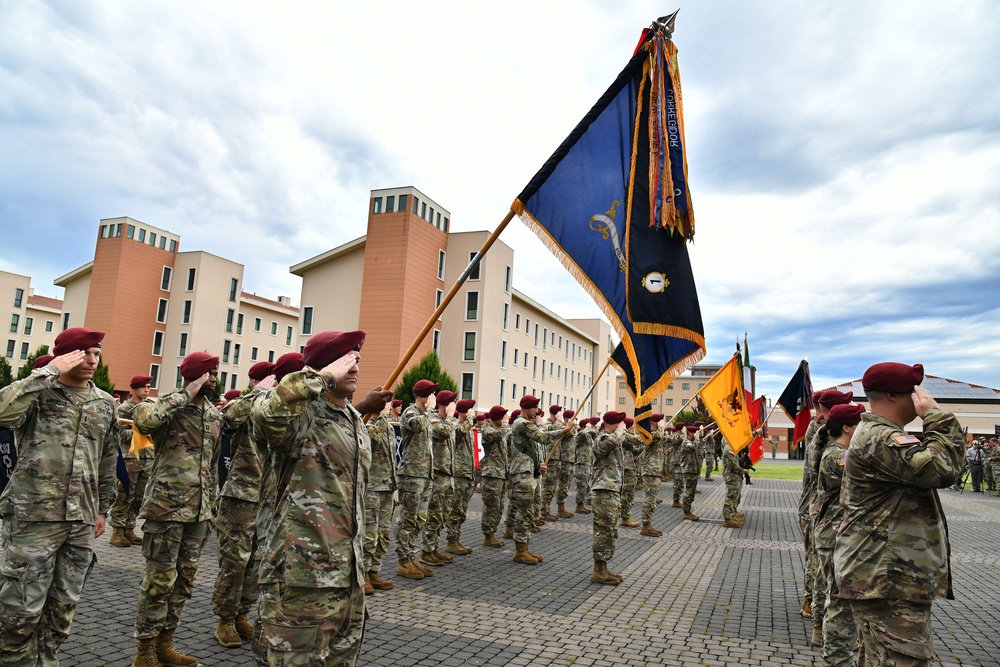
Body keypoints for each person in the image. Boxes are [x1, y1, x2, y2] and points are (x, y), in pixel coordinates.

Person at [252, 329, 390, 666]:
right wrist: (324, 377)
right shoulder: (300, 416)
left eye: (356, 359)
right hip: (302, 577)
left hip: (346, 577)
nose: (353, 367)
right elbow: (266, 413)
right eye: (345, 361)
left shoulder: (353, 418)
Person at [0, 328, 118, 666]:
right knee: (18, 609)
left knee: (62, 608)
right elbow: (3, 413)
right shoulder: (39, 392)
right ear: (65, 355)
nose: (93, 361)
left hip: (81, 518)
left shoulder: (105, 403)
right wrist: (48, 370)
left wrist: (103, 510)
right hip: (33, 517)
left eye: (96, 354)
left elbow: (108, 458)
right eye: (84, 354)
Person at [836, 362, 964, 667]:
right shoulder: (881, 438)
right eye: (915, 390)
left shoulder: (879, 435)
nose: (922, 395)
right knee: (904, 661)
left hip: (883, 574)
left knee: (880, 658)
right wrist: (937, 417)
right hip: (886, 577)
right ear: (894, 396)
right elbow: (942, 469)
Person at [131, 351, 222, 667]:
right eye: (208, 374)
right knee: (159, 583)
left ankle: (165, 645)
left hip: (198, 513)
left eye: (215, 374)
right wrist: (185, 394)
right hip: (166, 510)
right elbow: (144, 422)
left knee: (183, 583)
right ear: (194, 375)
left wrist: (209, 508)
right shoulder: (162, 405)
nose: (213, 379)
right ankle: (144, 654)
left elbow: (210, 465)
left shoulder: (214, 415)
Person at [211, 361, 275, 647]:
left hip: (267, 498)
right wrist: (256, 394)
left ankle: (241, 614)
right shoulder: (246, 406)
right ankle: (225, 620)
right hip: (240, 496)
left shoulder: (277, 411)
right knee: (234, 563)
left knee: (257, 563)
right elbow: (227, 419)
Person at [812, 403, 863, 663]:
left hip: (830, 532)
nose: (862, 429)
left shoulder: (838, 452)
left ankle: (826, 637)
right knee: (837, 596)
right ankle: (832, 645)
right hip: (833, 534)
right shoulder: (838, 456)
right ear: (846, 427)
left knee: (831, 589)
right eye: (858, 425)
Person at [509, 396, 574, 564]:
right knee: (524, 512)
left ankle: (525, 547)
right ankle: (519, 551)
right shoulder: (521, 423)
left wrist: (539, 465)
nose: (537, 411)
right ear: (526, 408)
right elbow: (543, 437)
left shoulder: (527, 424)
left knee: (530, 511)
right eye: (534, 408)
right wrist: (563, 430)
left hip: (530, 472)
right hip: (522, 475)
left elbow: (533, 449)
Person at [590, 411, 642, 584]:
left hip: (612, 492)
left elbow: (637, 443)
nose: (622, 426)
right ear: (611, 425)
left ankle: (603, 567)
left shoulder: (617, 439)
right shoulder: (603, 439)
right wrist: (621, 431)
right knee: (603, 531)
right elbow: (612, 441)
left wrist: (640, 432)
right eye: (619, 423)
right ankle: (598, 570)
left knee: (611, 531)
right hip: (603, 492)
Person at [395, 379, 438, 580]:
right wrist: (430, 409)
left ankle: (412, 557)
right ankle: (403, 561)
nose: (434, 398)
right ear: (425, 396)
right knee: (408, 519)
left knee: (419, 520)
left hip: (425, 474)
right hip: (411, 475)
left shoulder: (425, 415)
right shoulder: (411, 413)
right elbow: (418, 426)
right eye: (432, 394)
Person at [110, 374, 155, 548]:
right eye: (143, 387)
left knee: (139, 496)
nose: (146, 390)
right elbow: (119, 434)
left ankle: (129, 528)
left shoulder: (150, 408)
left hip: (147, 458)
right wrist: (139, 433)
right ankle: (117, 531)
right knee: (124, 495)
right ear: (134, 389)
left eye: (148, 387)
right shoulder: (124, 409)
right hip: (130, 457)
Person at [363, 399, 400, 594]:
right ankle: (363, 575)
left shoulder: (389, 428)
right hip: (372, 487)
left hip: (387, 485)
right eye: (385, 403)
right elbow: (371, 438)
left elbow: (393, 457)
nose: (388, 406)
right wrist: (383, 417)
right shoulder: (368, 424)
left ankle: (374, 571)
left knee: (383, 533)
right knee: (369, 535)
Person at [422, 390, 457, 566]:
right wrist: (450, 417)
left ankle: (434, 548)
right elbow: (443, 432)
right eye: (452, 402)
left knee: (442, 515)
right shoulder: (435, 421)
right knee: (433, 515)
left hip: (447, 475)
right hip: (437, 475)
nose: (455, 405)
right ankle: (426, 551)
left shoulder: (446, 422)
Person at [446, 399, 477, 555]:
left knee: (462, 510)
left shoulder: (469, 428)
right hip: (459, 474)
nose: (473, 412)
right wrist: (470, 419)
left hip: (467, 473)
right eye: (470, 410)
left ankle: (456, 538)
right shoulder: (457, 427)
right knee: (455, 509)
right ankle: (451, 541)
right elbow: (459, 432)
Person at [480, 405, 509, 547]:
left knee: (499, 506)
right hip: (491, 474)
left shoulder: (499, 430)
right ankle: (488, 535)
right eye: (502, 416)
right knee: (491, 506)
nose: (504, 419)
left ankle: (492, 533)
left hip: (500, 474)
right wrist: (505, 425)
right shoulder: (487, 429)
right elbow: (498, 435)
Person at [639, 414, 666, 537]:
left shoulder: (655, 432)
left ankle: (648, 524)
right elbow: (657, 436)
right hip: (650, 470)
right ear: (655, 422)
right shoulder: (649, 433)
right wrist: (661, 427)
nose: (661, 423)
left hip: (655, 470)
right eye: (659, 421)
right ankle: (645, 526)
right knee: (649, 499)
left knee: (652, 499)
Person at [539, 405, 564, 522]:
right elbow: (554, 430)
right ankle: (543, 511)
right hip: (549, 459)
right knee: (548, 486)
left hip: (555, 459)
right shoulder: (547, 424)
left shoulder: (555, 424)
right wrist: (559, 420)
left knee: (552, 486)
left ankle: (546, 510)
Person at [675, 426, 702, 521]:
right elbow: (694, 447)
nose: (696, 434)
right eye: (694, 433)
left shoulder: (691, 441)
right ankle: (686, 512)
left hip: (693, 470)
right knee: (689, 492)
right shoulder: (686, 442)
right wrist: (697, 438)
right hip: (688, 470)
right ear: (690, 433)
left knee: (691, 492)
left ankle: (688, 511)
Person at [619, 417, 641, 527]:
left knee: (629, 493)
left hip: (629, 466)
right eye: (632, 426)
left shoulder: (625, 436)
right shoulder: (624, 436)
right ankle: (625, 517)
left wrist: (643, 449)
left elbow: (634, 451)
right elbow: (639, 440)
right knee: (627, 493)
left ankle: (626, 516)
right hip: (626, 468)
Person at [555, 409, 577, 519]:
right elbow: (571, 434)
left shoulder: (569, 427)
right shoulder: (564, 427)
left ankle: (562, 507)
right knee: (563, 484)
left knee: (566, 484)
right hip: (565, 459)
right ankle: (560, 508)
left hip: (570, 459)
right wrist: (570, 425)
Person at [574, 418, 596, 514]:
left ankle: (581, 504)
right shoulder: (581, 436)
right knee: (581, 486)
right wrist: (589, 428)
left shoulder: (588, 437)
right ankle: (579, 505)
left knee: (586, 485)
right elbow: (582, 434)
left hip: (588, 463)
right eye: (587, 425)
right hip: (581, 464)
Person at [721, 438, 744, 529]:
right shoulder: (729, 449)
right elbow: (732, 465)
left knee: (735, 496)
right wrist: (743, 470)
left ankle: (733, 514)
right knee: (731, 497)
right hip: (731, 476)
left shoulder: (731, 447)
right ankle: (728, 519)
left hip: (734, 476)